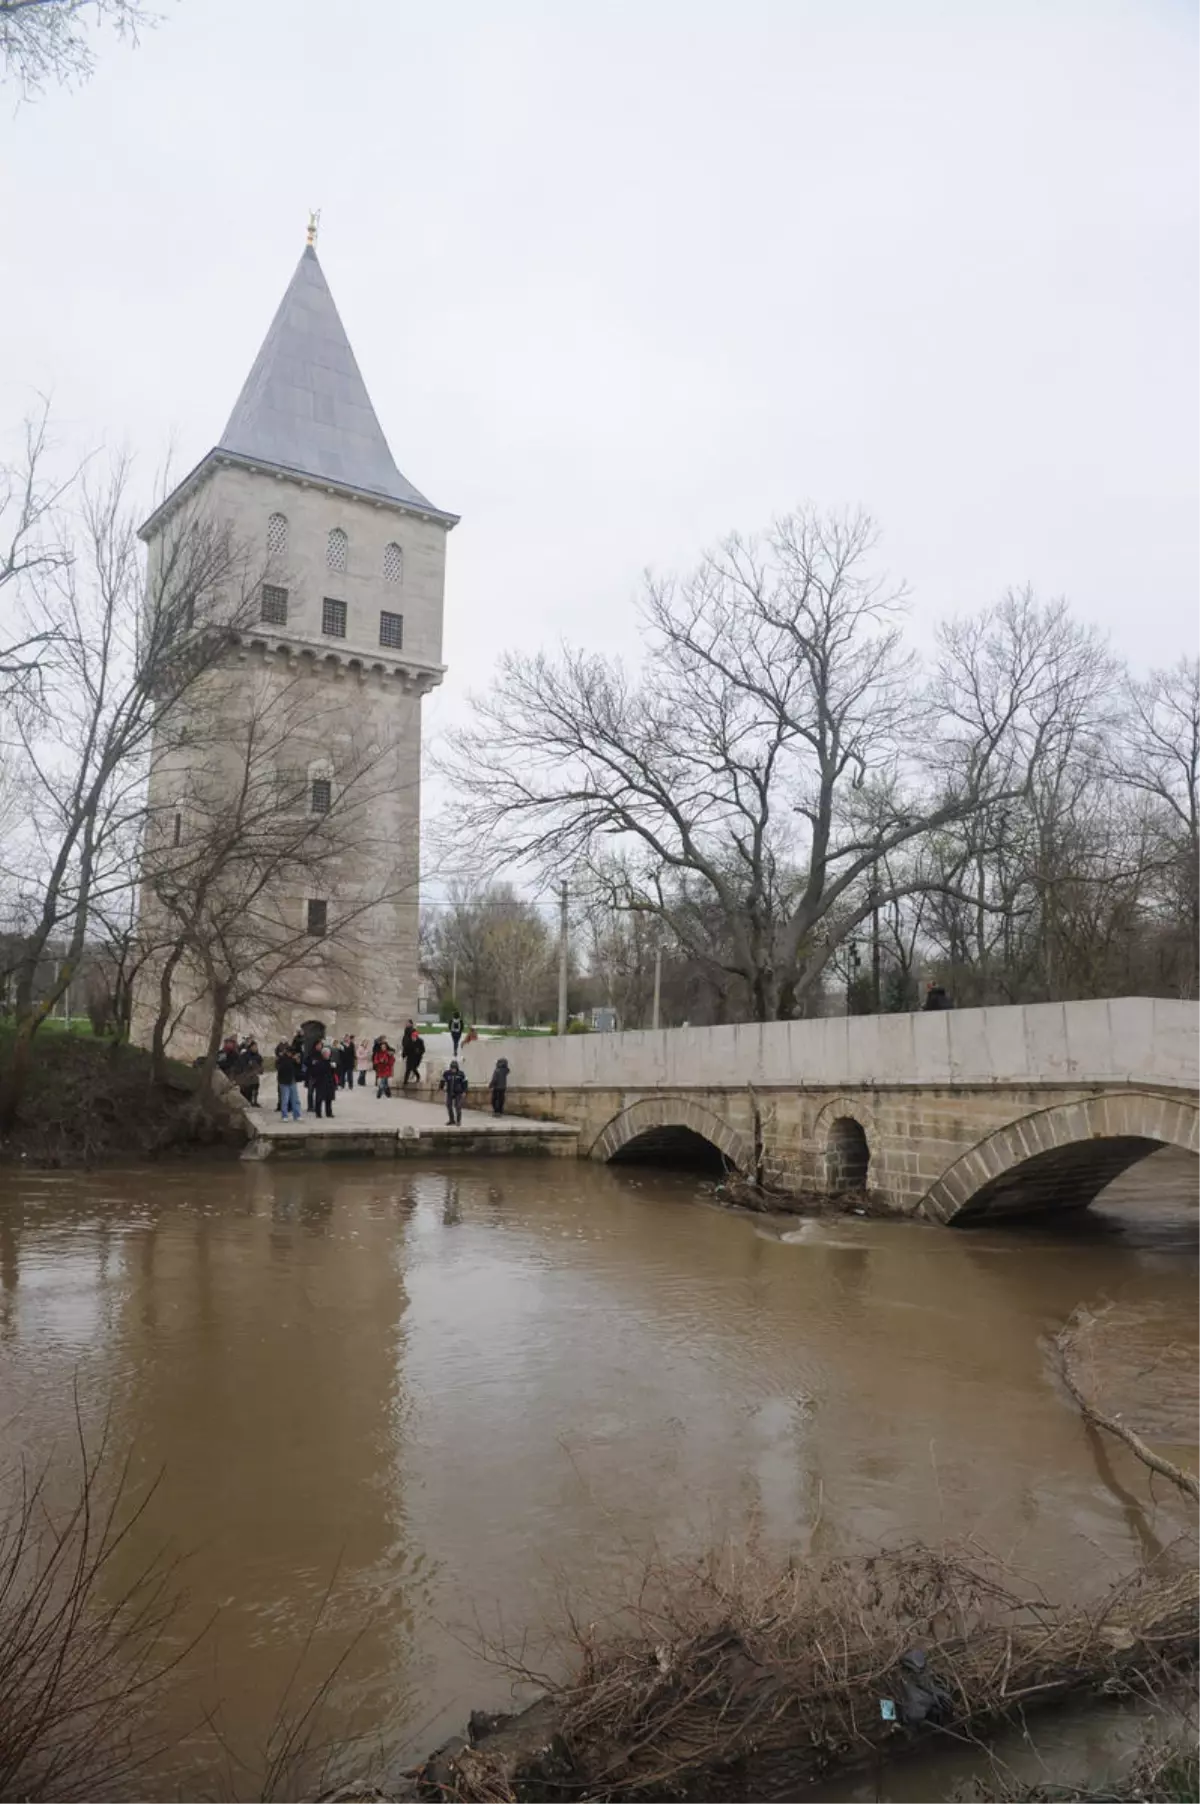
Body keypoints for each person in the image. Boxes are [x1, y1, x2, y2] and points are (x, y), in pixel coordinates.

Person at [275, 1043, 303, 1122]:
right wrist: (292, 1060)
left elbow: (298, 1069)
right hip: (283, 1081)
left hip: (292, 1080)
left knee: (295, 1099)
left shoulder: (293, 1060)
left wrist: (298, 1062)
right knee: (285, 1099)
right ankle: (284, 1115)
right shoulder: (282, 1059)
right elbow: (280, 1068)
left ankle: (297, 1115)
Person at [310, 1045, 339, 1119]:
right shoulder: (319, 1062)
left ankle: (329, 1113)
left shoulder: (331, 1061)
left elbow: (334, 1072)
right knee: (319, 1099)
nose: (327, 1055)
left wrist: (334, 1068)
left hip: (329, 1082)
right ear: (323, 1054)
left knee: (329, 1098)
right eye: (326, 1054)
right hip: (321, 1082)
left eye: (328, 1054)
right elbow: (316, 1072)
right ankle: (318, 1113)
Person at [438, 1059, 469, 1125]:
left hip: (458, 1092)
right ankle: (451, 1120)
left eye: (454, 1068)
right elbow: (442, 1080)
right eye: (452, 1068)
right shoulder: (447, 1073)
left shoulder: (461, 1074)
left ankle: (458, 1121)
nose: (453, 1070)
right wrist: (441, 1088)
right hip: (449, 1092)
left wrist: (464, 1091)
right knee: (449, 1106)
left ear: (457, 1068)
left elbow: (465, 1083)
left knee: (458, 1107)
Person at [236, 1039, 263, 1107]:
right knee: (246, 1090)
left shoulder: (258, 1056)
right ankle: (246, 1101)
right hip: (246, 1076)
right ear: (250, 1047)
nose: (255, 1048)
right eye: (254, 1046)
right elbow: (242, 1065)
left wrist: (258, 1069)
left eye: (256, 1046)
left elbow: (260, 1065)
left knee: (255, 1088)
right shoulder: (245, 1055)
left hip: (254, 1076)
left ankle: (254, 1101)